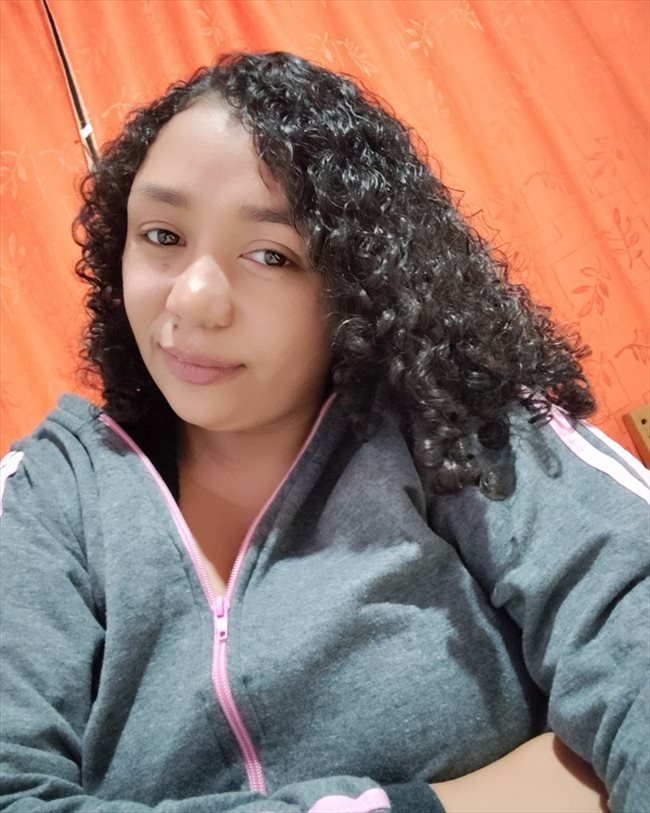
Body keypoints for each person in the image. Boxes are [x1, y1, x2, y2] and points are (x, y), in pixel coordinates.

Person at [0, 50, 647, 813]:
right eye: (163, 235)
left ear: (356, 279)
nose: (195, 298)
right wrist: (450, 802)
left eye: (270, 254)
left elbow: (629, 615)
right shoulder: (48, 496)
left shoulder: (452, 413)